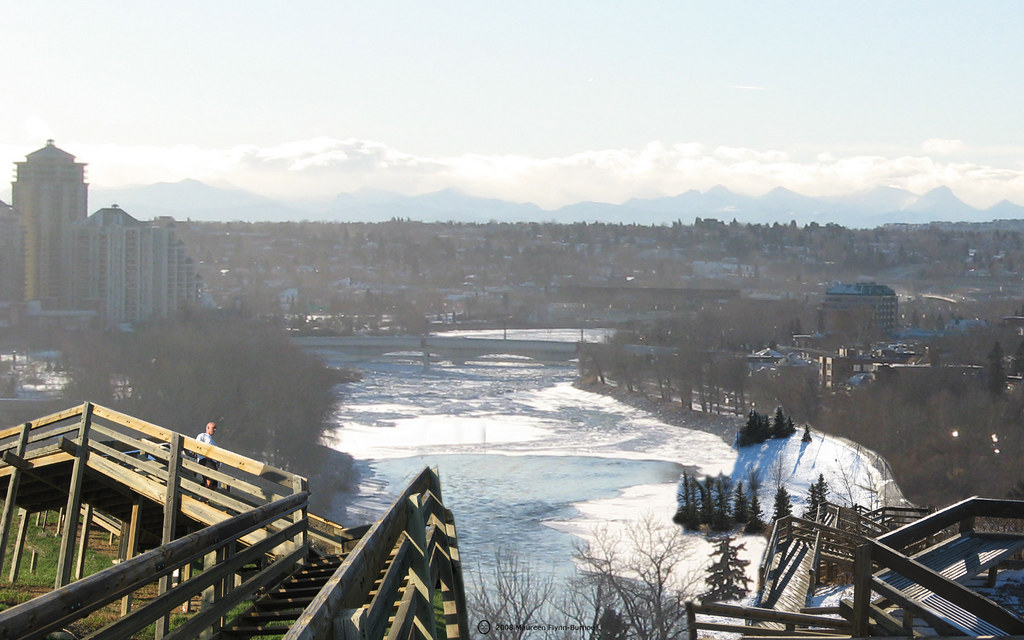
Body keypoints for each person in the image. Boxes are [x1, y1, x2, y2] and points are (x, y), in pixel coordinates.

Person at [196, 421, 219, 491]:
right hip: (204, 459)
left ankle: (204, 499)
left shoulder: (213, 442)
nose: (215, 430)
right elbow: (196, 445)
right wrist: (206, 455)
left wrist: (218, 462)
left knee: (214, 484)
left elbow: (217, 453)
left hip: (213, 462)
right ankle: (204, 497)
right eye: (213, 428)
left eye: (215, 428)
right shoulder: (202, 435)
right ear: (208, 427)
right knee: (211, 475)